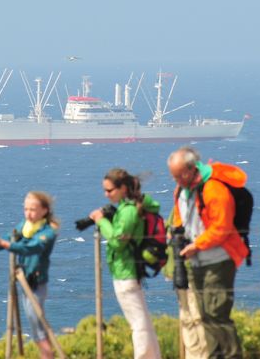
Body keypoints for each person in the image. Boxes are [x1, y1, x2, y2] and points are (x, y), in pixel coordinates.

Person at [167, 146, 247, 359]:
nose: (177, 180)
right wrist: (176, 237)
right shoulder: (181, 191)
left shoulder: (214, 189)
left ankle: (232, 355)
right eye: (173, 176)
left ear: (191, 169)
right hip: (196, 261)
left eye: (179, 175)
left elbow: (222, 227)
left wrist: (197, 245)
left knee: (217, 314)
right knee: (204, 316)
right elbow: (179, 219)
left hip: (219, 259)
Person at [88, 168, 162, 359]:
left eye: (110, 190)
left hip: (125, 272)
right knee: (142, 321)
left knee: (137, 325)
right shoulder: (127, 207)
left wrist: (101, 221)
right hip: (126, 270)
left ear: (122, 188)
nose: (106, 194)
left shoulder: (128, 210)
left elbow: (117, 241)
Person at [0, 191, 59, 359]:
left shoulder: (47, 232)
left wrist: (4, 243)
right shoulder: (25, 227)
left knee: (39, 329)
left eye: (33, 210)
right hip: (24, 281)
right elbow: (9, 241)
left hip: (36, 284)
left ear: (44, 210)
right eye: (26, 209)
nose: (28, 213)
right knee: (36, 328)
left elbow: (29, 248)